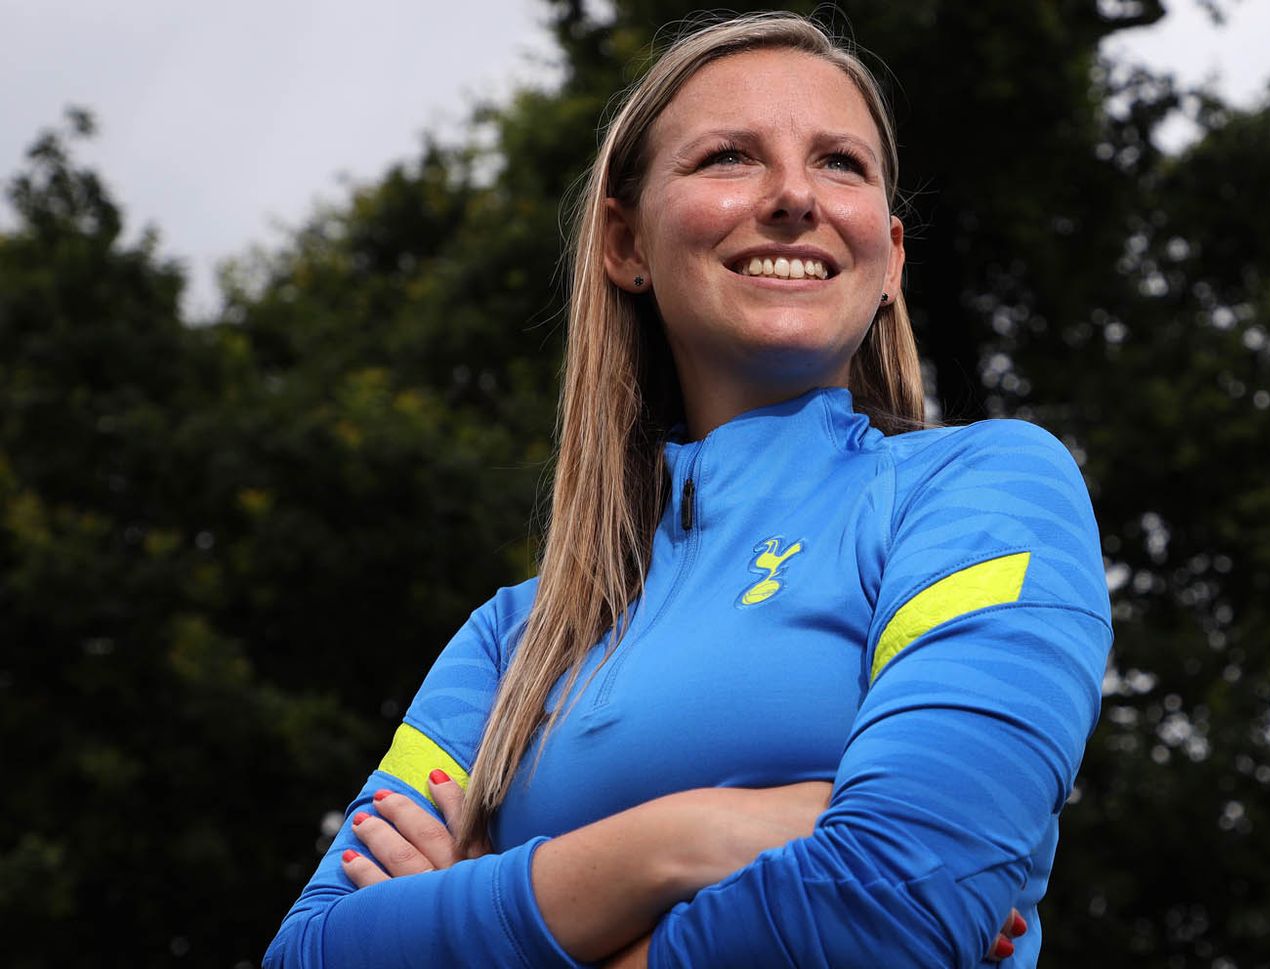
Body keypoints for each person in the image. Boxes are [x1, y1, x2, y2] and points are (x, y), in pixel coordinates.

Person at [262, 12, 1112, 969]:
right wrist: (683, 838)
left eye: (840, 163)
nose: (795, 196)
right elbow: (311, 954)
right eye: (729, 157)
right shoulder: (514, 641)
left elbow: (896, 899)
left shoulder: (984, 491)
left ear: (891, 259)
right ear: (626, 242)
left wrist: (500, 903)